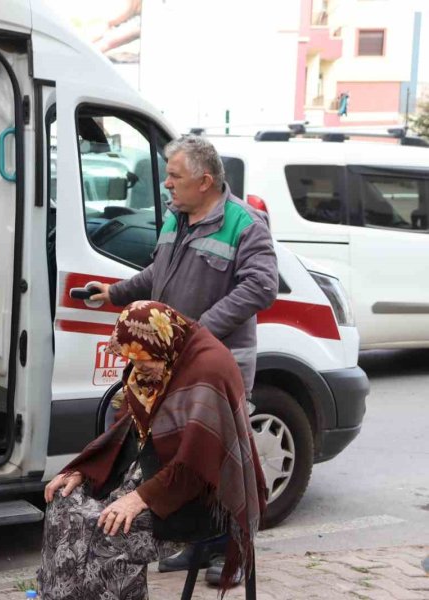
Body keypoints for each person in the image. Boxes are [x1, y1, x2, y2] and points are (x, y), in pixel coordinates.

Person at [91, 134, 277, 577]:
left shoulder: (245, 224)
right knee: (176, 456)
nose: (167, 185)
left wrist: (197, 333)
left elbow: (262, 286)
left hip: (214, 367)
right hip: (166, 365)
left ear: (206, 181)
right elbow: (159, 272)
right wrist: (115, 293)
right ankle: (196, 541)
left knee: (211, 456)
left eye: (175, 176)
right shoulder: (177, 218)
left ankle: (225, 549)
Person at [38, 301, 267, 600]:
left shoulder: (208, 371)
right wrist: (84, 469)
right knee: (63, 506)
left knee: (110, 531)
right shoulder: (164, 350)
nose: (138, 370)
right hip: (154, 472)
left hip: (202, 498)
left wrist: (139, 498)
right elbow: (128, 427)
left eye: (144, 363)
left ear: (161, 343)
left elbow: (196, 466)